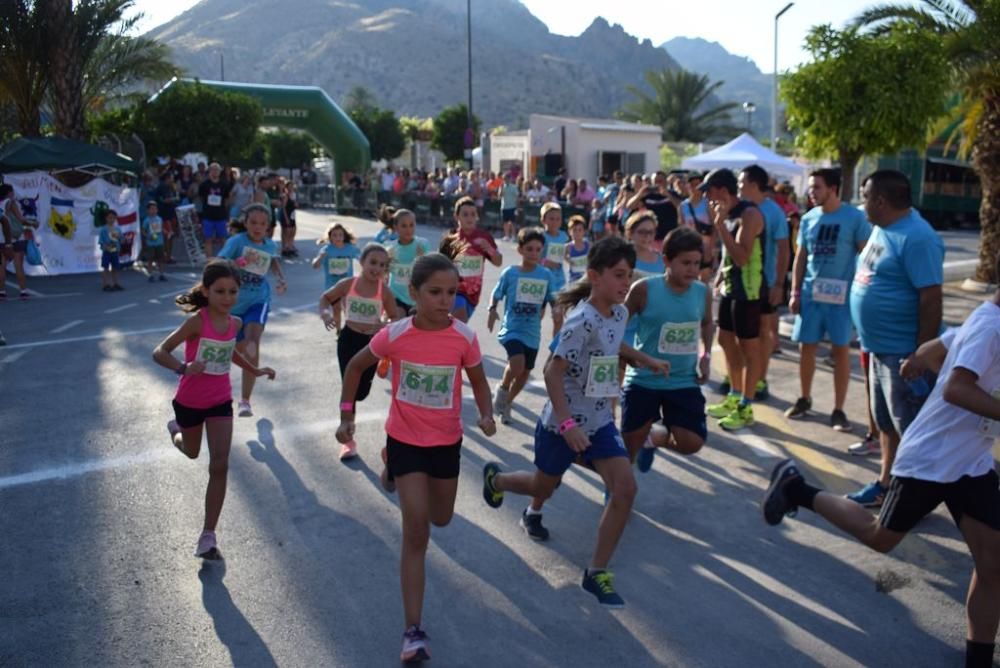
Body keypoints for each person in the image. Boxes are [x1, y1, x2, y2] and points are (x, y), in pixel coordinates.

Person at [761, 254, 1000, 668]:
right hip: (930, 458)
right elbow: (957, 390)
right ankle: (795, 487)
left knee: (993, 560)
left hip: (969, 462)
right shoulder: (991, 326)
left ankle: (978, 659)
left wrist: (917, 360)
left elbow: (936, 347)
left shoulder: (984, 317)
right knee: (879, 537)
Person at [482, 237, 669, 605]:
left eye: (629, 275)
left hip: (598, 423)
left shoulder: (618, 312)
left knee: (626, 488)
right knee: (543, 486)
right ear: (594, 276)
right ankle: (498, 478)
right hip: (561, 425)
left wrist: (642, 358)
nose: (624, 283)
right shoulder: (580, 321)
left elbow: (613, 346)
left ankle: (597, 572)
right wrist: (567, 425)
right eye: (618, 275)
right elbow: (553, 372)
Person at [336, 253, 495, 663]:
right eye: (435, 292)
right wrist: (346, 416)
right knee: (417, 531)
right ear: (414, 293)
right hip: (406, 438)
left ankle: (389, 466)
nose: (445, 300)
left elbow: (477, 379)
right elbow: (355, 367)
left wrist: (487, 412)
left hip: (446, 442)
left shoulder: (463, 337)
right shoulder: (396, 334)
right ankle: (413, 630)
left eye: (451, 293)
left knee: (441, 518)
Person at [153, 260, 276, 560]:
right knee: (192, 451)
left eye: (233, 291)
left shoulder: (234, 323)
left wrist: (255, 370)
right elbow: (160, 351)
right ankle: (177, 431)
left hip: (220, 401)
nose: (227, 297)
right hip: (189, 402)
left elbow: (230, 352)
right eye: (220, 291)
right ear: (206, 291)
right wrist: (184, 367)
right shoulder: (198, 321)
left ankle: (208, 536)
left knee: (219, 465)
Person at [845, 169, 944, 506]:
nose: (862, 204)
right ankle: (887, 484)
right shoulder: (883, 228)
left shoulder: (918, 237)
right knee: (887, 424)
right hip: (878, 347)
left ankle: (915, 499)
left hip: (903, 353)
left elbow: (931, 297)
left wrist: (921, 353)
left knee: (912, 431)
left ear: (881, 201)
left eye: (865, 197)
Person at [784, 169, 871, 430]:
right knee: (806, 347)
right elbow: (801, 257)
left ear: (833, 189)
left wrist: (861, 293)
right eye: (811, 188)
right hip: (811, 296)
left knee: (840, 351)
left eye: (816, 187)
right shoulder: (809, 219)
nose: (811, 192)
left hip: (841, 299)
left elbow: (866, 255)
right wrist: (795, 291)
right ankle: (804, 398)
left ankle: (838, 409)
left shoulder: (854, 218)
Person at [627, 227, 713, 473]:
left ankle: (654, 438)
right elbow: (615, 325)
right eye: (685, 263)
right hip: (644, 380)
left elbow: (707, 322)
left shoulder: (702, 292)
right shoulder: (644, 289)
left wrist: (705, 357)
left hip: (682, 380)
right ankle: (616, 488)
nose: (692, 269)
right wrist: (633, 356)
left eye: (697, 263)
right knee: (628, 447)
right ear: (666, 260)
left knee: (692, 442)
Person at [320, 243, 399, 460]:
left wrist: (384, 326)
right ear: (362, 262)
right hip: (348, 340)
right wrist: (326, 314)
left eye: (382, 265)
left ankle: (349, 421)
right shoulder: (349, 284)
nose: (376, 268)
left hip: (372, 344)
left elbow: (395, 317)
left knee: (361, 392)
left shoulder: (385, 291)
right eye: (373, 262)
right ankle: (348, 439)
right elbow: (325, 298)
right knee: (349, 388)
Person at [703, 168, 766, 432]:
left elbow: (742, 256)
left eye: (710, 191)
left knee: (748, 349)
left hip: (749, 292)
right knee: (725, 340)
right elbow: (730, 257)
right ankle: (733, 395)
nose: (708, 197)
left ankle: (746, 405)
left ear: (721, 189)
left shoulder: (749, 214)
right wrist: (718, 277)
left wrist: (719, 225)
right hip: (731, 288)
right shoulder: (727, 213)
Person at [216, 204, 288, 418]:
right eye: (253, 222)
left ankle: (245, 401)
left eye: (262, 223)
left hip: (259, 299)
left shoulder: (269, 245)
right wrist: (237, 263)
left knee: (253, 342)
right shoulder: (237, 242)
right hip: (233, 304)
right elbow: (218, 262)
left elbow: (273, 262)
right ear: (246, 223)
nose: (258, 227)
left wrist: (281, 278)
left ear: (268, 226)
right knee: (239, 350)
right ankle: (224, 391)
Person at [488, 227, 554, 425]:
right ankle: (503, 387)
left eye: (538, 249)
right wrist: (492, 308)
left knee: (525, 373)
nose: (534, 253)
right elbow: (496, 292)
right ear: (520, 250)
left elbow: (553, 298)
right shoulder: (511, 273)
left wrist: (559, 309)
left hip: (532, 332)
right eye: (529, 249)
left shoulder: (546, 275)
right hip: (512, 329)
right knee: (516, 364)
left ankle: (506, 403)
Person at [738, 165, 790, 401]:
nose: (738, 187)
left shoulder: (774, 212)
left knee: (763, 331)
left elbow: (784, 248)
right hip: (741, 284)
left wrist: (779, 283)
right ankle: (741, 380)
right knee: (742, 335)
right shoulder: (739, 210)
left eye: (741, 183)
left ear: (753, 185)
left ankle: (760, 379)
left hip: (766, 283)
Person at [442, 196, 502, 322]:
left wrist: (489, 249)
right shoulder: (450, 240)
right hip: (454, 291)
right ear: (456, 217)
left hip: (473, 294)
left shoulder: (484, 237)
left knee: (458, 325)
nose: (469, 218)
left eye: (473, 214)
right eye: (465, 214)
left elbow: (498, 262)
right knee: (459, 323)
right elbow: (439, 267)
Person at [386, 209, 429, 315]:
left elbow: (428, 271)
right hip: (396, 295)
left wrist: (421, 258)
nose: (408, 229)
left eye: (411, 225)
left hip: (416, 298)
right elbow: (384, 272)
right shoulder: (390, 248)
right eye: (404, 226)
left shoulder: (422, 245)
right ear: (396, 228)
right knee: (398, 323)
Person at [0, 184, 37, 300]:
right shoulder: (11, 203)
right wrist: (33, 223)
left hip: (3, 238)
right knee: (18, 265)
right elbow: (21, 219)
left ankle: (2, 292)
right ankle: (23, 291)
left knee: (2, 266)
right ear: (9, 192)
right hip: (15, 237)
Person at [540, 202, 569, 335]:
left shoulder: (564, 236)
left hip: (559, 280)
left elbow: (566, 254)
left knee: (558, 317)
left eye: (558, 219)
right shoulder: (541, 237)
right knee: (538, 316)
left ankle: (555, 350)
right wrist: (546, 262)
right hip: (542, 280)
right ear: (543, 220)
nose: (555, 222)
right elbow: (534, 257)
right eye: (551, 218)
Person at [627, 171, 680, 243]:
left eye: (660, 181)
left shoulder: (673, 193)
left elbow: (680, 207)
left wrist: (668, 195)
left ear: (666, 182)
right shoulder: (647, 194)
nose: (657, 183)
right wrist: (639, 195)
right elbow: (630, 206)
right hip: (651, 236)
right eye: (655, 181)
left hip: (670, 235)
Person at [198, 163, 233, 258]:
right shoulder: (204, 185)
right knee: (208, 239)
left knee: (223, 239)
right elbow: (201, 198)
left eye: (216, 170)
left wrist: (222, 207)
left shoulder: (224, 184)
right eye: (212, 170)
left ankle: (224, 259)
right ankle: (209, 260)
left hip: (220, 215)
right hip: (208, 215)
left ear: (219, 172)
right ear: (209, 171)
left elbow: (228, 198)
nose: (214, 172)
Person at [141, 201, 168, 282]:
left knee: (160, 259)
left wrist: (165, 232)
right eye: (151, 209)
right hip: (151, 243)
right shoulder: (146, 220)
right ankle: (150, 275)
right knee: (150, 259)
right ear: (148, 210)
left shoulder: (159, 219)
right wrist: (148, 236)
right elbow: (143, 230)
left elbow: (161, 228)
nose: (153, 210)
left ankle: (162, 274)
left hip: (159, 242)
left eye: (155, 209)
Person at [99, 209, 124, 292]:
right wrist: (106, 247)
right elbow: (101, 241)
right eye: (110, 218)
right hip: (107, 251)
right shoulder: (103, 229)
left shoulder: (118, 228)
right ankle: (105, 284)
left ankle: (115, 283)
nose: (111, 219)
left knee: (115, 268)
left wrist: (121, 240)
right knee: (106, 268)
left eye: (113, 218)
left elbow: (121, 239)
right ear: (106, 218)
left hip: (115, 251)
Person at [566, 215, 591, 282]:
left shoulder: (589, 245)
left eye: (580, 230)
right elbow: (562, 258)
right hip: (573, 280)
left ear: (584, 231)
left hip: (586, 280)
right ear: (569, 232)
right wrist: (568, 260)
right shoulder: (568, 247)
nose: (577, 233)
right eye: (574, 230)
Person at [499, 173, 520, 243]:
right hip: (504, 207)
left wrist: (517, 208)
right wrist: (501, 188)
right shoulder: (502, 186)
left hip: (512, 207)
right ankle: (507, 236)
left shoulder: (514, 187)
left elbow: (517, 197)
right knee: (505, 222)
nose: (506, 180)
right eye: (504, 179)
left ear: (510, 179)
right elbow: (500, 196)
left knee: (512, 222)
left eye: (507, 178)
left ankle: (513, 236)